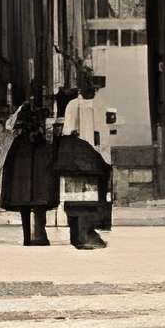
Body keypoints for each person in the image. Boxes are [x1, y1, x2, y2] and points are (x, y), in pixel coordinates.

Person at [54, 77, 114, 249]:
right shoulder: (74, 105)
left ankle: (86, 232)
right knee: (78, 198)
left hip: (93, 154)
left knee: (89, 197)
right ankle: (80, 235)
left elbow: (104, 131)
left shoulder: (99, 105)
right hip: (79, 155)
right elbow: (69, 130)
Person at [1, 89, 57, 246]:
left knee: (28, 196)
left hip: (27, 153)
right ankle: (37, 234)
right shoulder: (35, 112)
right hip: (33, 153)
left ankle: (32, 235)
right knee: (36, 195)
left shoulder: (27, 112)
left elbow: (9, 126)